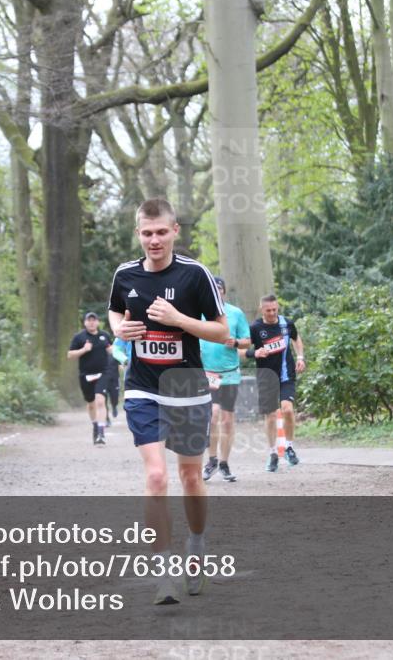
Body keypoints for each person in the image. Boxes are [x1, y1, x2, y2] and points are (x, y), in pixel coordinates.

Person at [108, 198, 227, 604]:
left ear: (175, 231)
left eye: (161, 232)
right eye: (146, 232)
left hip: (187, 388)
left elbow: (221, 331)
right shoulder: (125, 274)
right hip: (142, 387)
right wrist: (121, 329)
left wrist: (178, 320)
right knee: (156, 477)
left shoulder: (195, 275)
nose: (154, 240)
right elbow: (114, 311)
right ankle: (164, 574)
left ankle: (195, 546)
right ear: (138, 233)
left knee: (190, 478)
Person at [200, 277, 251, 483]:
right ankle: (211, 460)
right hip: (207, 373)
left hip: (229, 373)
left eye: (219, 288)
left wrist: (237, 342)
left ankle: (224, 463)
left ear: (224, 292)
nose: (216, 292)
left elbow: (247, 342)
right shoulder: (199, 312)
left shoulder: (235, 313)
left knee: (228, 420)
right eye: (213, 288)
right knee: (212, 415)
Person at [246, 294, 305, 472]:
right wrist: (254, 353)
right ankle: (272, 453)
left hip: (286, 375)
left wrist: (300, 357)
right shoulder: (255, 328)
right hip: (266, 378)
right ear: (261, 309)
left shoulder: (286, 324)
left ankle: (288, 447)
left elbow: (297, 339)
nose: (272, 313)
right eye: (268, 310)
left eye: (274, 310)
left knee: (287, 409)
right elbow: (242, 349)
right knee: (271, 416)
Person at [67, 312, 113, 445]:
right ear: (85, 322)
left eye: (94, 320)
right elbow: (70, 355)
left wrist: (120, 356)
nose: (92, 322)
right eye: (89, 320)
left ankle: (101, 433)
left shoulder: (104, 336)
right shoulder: (79, 337)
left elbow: (111, 350)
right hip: (85, 375)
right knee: (91, 403)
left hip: (103, 373)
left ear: (98, 322)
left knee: (100, 401)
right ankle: (95, 425)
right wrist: (84, 350)